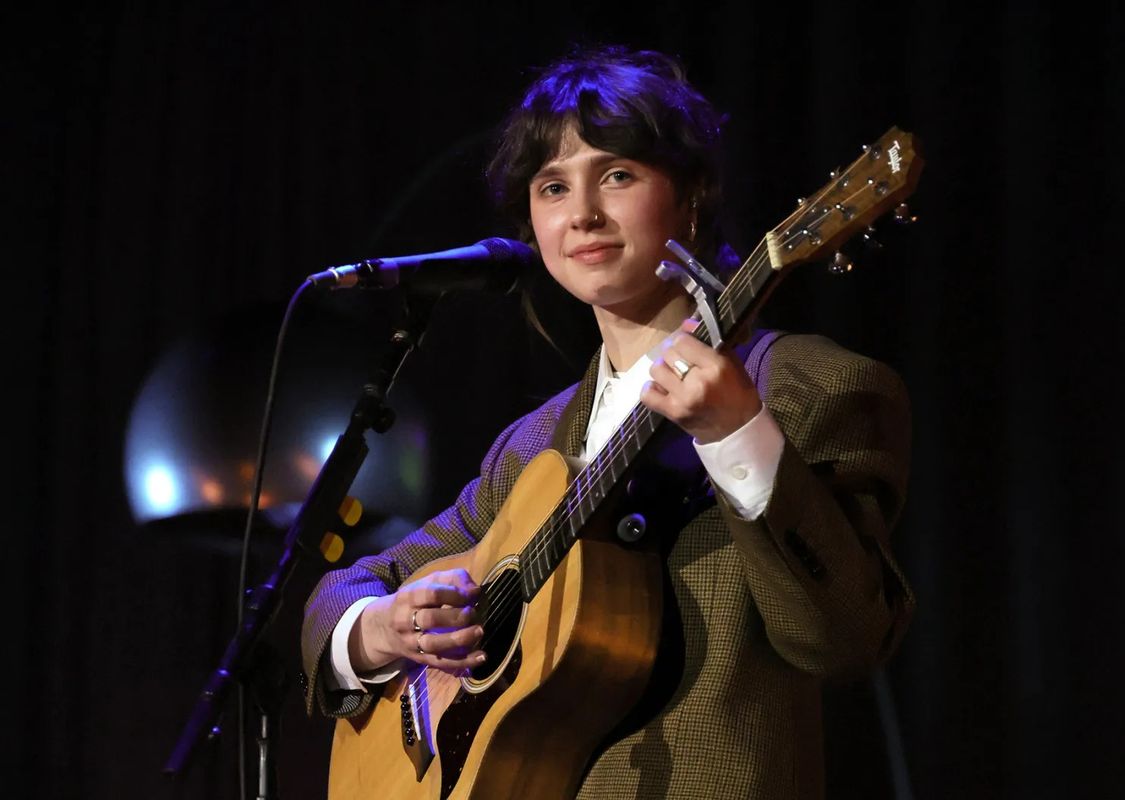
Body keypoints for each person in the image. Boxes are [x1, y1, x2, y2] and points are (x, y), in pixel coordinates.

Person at [300, 44, 915, 798]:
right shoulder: (529, 446)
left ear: (692, 192)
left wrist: (736, 436)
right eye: (553, 186)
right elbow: (349, 588)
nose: (583, 213)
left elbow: (846, 638)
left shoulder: (812, 387)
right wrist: (376, 629)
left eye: (617, 175)